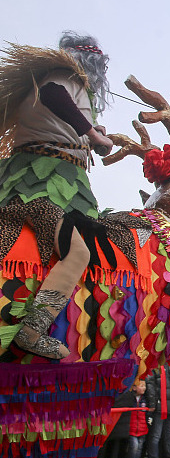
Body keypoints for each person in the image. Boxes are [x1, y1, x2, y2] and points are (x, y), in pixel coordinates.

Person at [0, 32, 116, 360]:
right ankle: (32, 330)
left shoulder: (68, 91)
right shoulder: (61, 78)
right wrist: (92, 133)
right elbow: (54, 95)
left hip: (36, 180)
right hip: (41, 184)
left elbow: (60, 119)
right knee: (77, 253)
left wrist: (92, 136)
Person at [125, 380, 149, 458]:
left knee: (139, 448)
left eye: (144, 386)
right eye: (141, 385)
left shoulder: (145, 399)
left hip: (142, 427)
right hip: (132, 428)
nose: (143, 388)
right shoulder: (130, 398)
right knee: (133, 447)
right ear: (134, 387)